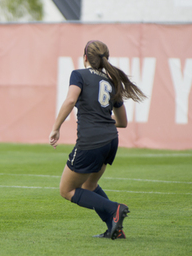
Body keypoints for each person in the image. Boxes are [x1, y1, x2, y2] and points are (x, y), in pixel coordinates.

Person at [49, 40, 146, 239]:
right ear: (105, 60)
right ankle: (114, 227)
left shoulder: (79, 75)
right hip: (111, 141)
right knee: (89, 186)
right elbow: (123, 122)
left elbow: (70, 100)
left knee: (66, 190)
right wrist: (102, 121)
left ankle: (114, 209)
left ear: (85, 57)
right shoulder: (112, 82)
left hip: (91, 142)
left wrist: (55, 128)